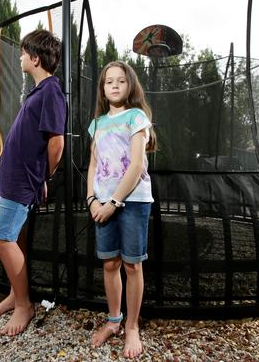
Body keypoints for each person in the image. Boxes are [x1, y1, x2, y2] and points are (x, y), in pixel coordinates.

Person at [0, 29, 66, 337]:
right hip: (13, 179)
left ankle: (24, 306)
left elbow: (56, 144)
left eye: (22, 53)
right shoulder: (36, 92)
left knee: (1, 237)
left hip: (22, 182)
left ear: (34, 58)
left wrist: (42, 177)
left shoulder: (50, 92)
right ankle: (13, 295)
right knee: (14, 238)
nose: (19, 57)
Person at [86, 61, 156, 358]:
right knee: (110, 264)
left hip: (132, 202)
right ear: (102, 88)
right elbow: (93, 164)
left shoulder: (136, 117)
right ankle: (114, 320)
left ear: (130, 86)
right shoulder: (98, 123)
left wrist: (113, 203)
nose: (114, 85)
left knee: (132, 265)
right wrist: (92, 199)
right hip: (102, 205)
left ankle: (131, 327)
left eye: (121, 81)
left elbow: (137, 165)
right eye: (108, 81)